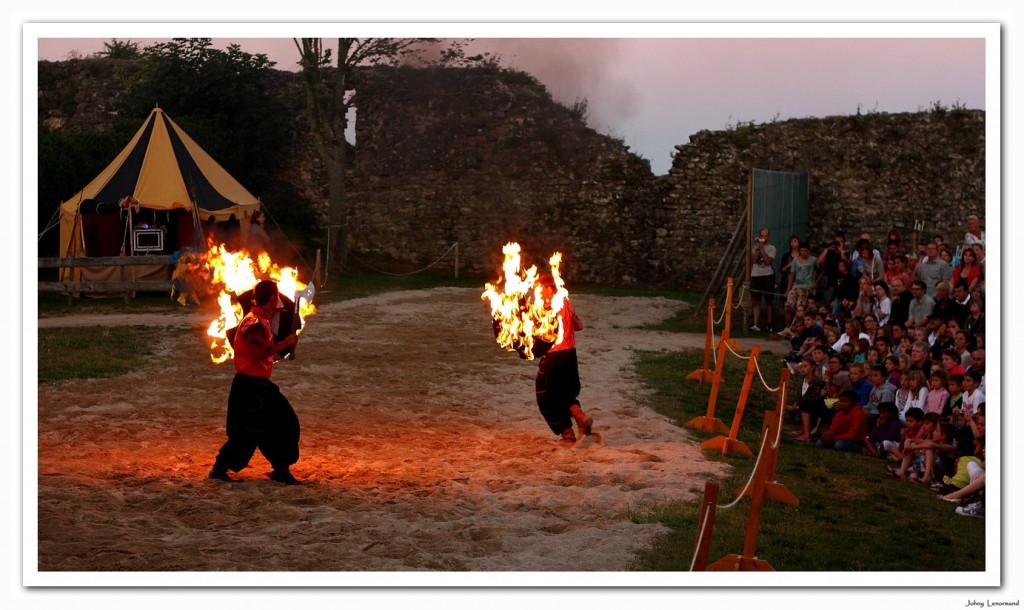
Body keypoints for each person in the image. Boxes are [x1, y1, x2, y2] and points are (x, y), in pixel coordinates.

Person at [209, 279, 302, 485]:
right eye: (276, 296)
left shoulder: (263, 320)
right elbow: (258, 352)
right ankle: (219, 469)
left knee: (284, 422)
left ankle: (281, 469)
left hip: (261, 385)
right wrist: (284, 343)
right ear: (271, 298)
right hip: (248, 387)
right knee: (246, 432)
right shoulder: (254, 324)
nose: (279, 299)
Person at [534, 274, 593, 444]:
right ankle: (579, 422)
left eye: (542, 288)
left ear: (548, 288)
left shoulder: (546, 306)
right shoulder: (566, 302)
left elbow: (545, 334)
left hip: (554, 356)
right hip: (570, 354)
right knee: (565, 394)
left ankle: (570, 432)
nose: (539, 291)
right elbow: (579, 326)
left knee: (546, 396)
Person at [784, 356, 826, 443]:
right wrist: (795, 404)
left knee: (806, 408)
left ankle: (807, 435)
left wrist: (797, 407)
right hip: (804, 404)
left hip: (816, 406)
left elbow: (814, 398)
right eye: (802, 366)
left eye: (805, 366)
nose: (803, 369)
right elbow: (800, 395)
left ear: (812, 367)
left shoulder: (816, 382)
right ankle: (802, 430)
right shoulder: (801, 380)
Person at [749, 227, 777, 332]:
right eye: (762, 236)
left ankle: (769, 323)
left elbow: (768, 261)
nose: (763, 238)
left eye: (766, 236)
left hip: (767, 275)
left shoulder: (772, 248)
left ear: (768, 237)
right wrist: (757, 249)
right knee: (756, 300)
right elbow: (753, 260)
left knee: (768, 300)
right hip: (756, 275)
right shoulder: (754, 248)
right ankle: (756, 324)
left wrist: (762, 249)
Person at [785, 242, 817, 330]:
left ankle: (798, 327)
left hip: (807, 287)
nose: (803, 252)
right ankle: (788, 327)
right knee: (788, 305)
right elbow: (792, 274)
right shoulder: (795, 260)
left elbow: (821, 269)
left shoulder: (813, 260)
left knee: (800, 307)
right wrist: (788, 289)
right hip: (796, 286)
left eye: (805, 251)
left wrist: (816, 282)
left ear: (808, 251)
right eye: (801, 251)